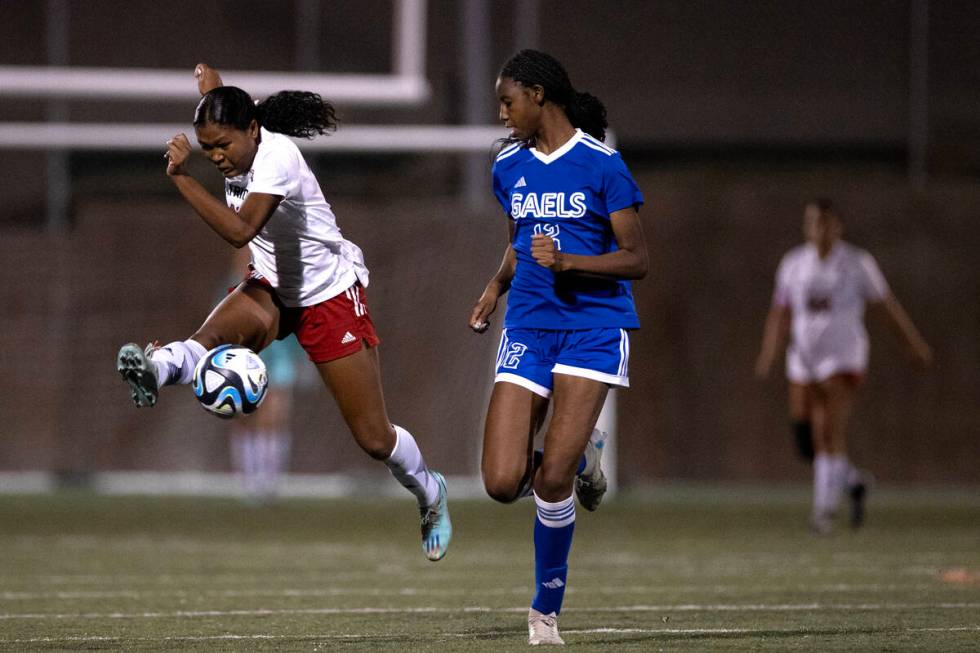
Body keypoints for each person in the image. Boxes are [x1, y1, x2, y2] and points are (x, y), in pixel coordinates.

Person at [116, 63, 451, 561]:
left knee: (374, 438)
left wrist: (183, 177)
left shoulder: (278, 158)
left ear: (253, 130)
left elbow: (239, 231)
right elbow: (223, 104)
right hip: (273, 288)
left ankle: (429, 490)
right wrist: (209, 84)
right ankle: (156, 368)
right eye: (208, 149)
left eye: (224, 146)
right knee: (210, 337)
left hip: (329, 295)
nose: (218, 158)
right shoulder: (237, 131)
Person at [469, 49, 648, 646]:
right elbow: (519, 241)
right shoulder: (507, 166)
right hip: (528, 327)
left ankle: (545, 612)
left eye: (507, 100)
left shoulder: (603, 167)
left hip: (593, 328)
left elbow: (636, 258)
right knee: (500, 480)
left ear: (540, 95)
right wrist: (496, 286)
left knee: (549, 484)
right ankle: (578, 462)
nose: (501, 112)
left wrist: (570, 261)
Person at [755, 198, 932, 535]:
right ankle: (853, 482)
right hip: (804, 359)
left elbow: (885, 306)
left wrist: (913, 344)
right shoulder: (794, 264)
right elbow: (780, 312)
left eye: (825, 222)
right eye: (812, 222)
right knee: (805, 440)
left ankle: (823, 512)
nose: (818, 229)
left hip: (843, 357)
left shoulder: (856, 263)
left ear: (837, 226)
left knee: (827, 431)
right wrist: (769, 353)